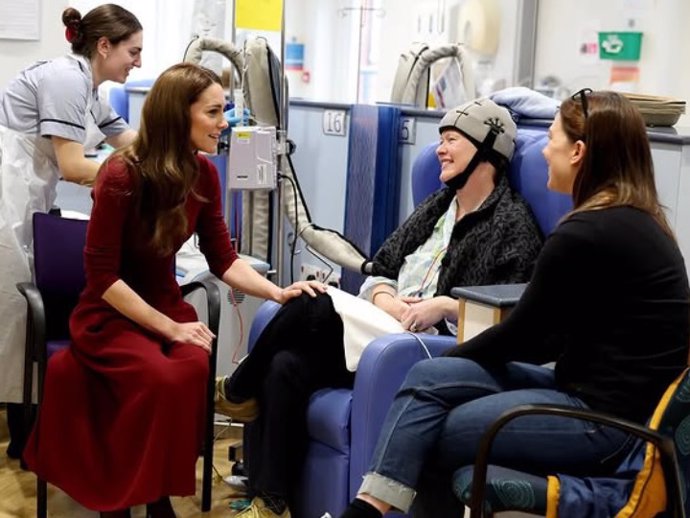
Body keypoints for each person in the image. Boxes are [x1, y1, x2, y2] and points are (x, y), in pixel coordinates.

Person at [337, 90, 690, 518]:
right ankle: (367, 509)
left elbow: (523, 338)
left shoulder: (585, 233)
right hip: (585, 394)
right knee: (430, 374)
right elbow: (547, 341)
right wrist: (450, 364)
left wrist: (457, 355)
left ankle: (364, 511)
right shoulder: (638, 221)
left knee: (435, 430)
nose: (543, 153)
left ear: (578, 152)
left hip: (606, 425)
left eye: (552, 140)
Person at [216, 98, 544, 517]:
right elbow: (381, 268)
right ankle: (271, 501)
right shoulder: (437, 207)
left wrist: (442, 305)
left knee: (313, 304)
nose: (440, 149)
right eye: (440, 140)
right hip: (383, 326)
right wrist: (385, 298)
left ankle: (237, 388)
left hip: (425, 347)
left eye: (451, 140)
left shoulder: (513, 225)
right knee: (284, 365)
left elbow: (508, 316)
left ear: (486, 150)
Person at [22, 62, 324, 518]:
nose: (224, 123)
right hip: (111, 314)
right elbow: (103, 278)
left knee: (189, 370)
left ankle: (157, 491)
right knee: (156, 376)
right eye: (214, 112)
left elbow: (223, 259)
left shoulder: (204, 175)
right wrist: (171, 329)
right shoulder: (120, 175)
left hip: (166, 305)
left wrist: (278, 293)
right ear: (177, 115)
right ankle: (120, 502)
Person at [0, 4, 143, 459]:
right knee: (16, 315)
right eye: (133, 52)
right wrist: (134, 177)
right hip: (8, 195)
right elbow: (73, 165)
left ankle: (25, 438)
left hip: (25, 194)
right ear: (104, 46)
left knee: (20, 317)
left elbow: (130, 144)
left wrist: (174, 144)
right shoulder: (66, 79)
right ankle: (24, 439)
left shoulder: (90, 87)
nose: (138, 62)